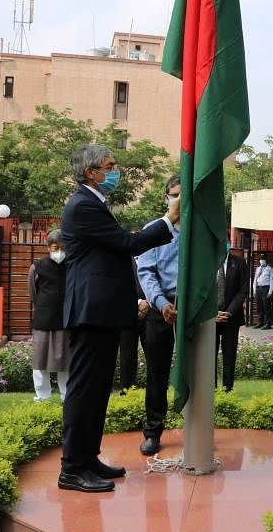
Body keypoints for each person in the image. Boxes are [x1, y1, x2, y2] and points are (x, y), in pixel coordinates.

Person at [59, 144, 176, 493]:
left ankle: (88, 459)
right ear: (90, 172)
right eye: (110, 166)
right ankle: (72, 469)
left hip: (103, 313)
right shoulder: (82, 205)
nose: (115, 171)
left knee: (97, 392)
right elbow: (128, 243)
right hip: (91, 313)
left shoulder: (94, 203)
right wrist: (169, 219)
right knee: (84, 393)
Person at [136, 175, 182, 457]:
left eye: (183, 195)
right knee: (157, 375)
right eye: (174, 194)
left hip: (192, 311)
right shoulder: (154, 230)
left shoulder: (199, 230)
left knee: (199, 372)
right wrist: (162, 303)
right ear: (165, 197)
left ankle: (199, 428)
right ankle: (153, 432)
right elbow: (146, 272)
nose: (179, 199)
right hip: (160, 310)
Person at [27, 229, 70, 402]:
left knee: (65, 361)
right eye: (55, 247)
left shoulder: (72, 265)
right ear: (47, 247)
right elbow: (33, 293)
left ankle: (66, 396)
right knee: (39, 360)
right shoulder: (37, 266)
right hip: (43, 319)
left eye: (62, 247)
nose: (59, 251)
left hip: (65, 320)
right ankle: (42, 396)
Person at [215, 245, 249, 392]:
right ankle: (211, 387)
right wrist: (212, 312)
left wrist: (229, 312)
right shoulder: (206, 262)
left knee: (229, 354)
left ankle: (228, 387)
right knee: (210, 355)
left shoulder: (240, 262)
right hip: (211, 318)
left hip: (232, 317)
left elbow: (243, 290)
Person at [117, 260, 148, 394]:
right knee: (127, 356)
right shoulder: (122, 257)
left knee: (154, 353)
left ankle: (154, 390)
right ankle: (127, 391)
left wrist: (148, 302)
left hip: (152, 311)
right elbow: (117, 283)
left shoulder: (151, 254)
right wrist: (138, 302)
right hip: (127, 313)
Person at [253, 254, 273, 329]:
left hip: (266, 288)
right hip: (259, 288)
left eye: (263, 259)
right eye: (261, 259)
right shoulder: (258, 269)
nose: (262, 260)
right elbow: (255, 279)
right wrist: (254, 290)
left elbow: (272, 280)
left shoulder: (270, 269)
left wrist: (270, 292)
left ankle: (268, 323)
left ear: (266, 260)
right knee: (259, 306)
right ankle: (260, 322)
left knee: (266, 306)